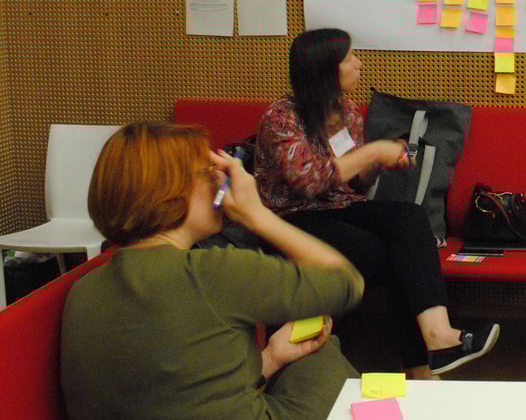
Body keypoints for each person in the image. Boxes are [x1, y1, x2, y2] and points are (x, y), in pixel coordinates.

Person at [60, 122, 363, 420]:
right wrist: (257, 215)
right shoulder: (214, 271)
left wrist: (270, 358)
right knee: (324, 353)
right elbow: (345, 283)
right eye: (208, 174)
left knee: (299, 358)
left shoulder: (83, 291)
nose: (220, 183)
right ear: (170, 191)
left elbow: (171, 389)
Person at [255, 28, 498, 378]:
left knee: (409, 217)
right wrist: (372, 152)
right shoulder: (282, 116)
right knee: (396, 256)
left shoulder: (347, 112)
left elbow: (353, 184)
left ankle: (439, 334)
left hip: (339, 209)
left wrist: (377, 164)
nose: (359, 63)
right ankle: (421, 368)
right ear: (326, 70)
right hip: (289, 220)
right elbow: (308, 181)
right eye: (349, 58)